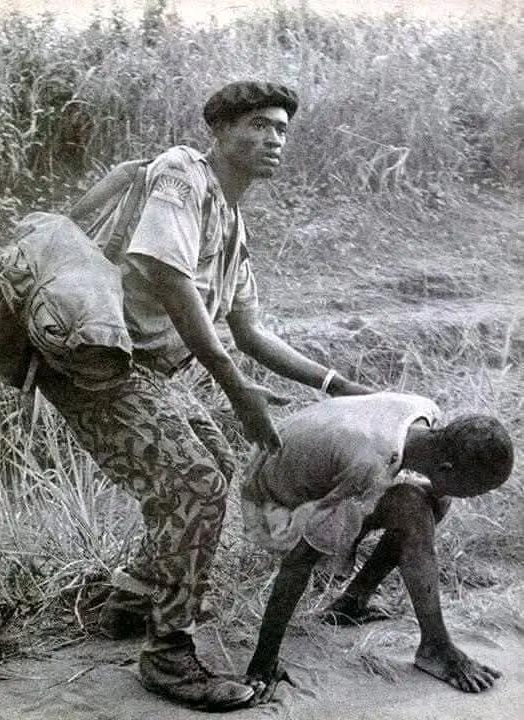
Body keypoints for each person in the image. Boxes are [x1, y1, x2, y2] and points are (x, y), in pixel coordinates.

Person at [34, 81, 372, 711]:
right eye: (259, 125)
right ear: (220, 131)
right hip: (96, 361)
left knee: (212, 462)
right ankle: (167, 655)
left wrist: (336, 384)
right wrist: (234, 386)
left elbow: (250, 331)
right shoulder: (182, 173)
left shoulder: (232, 220)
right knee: (194, 485)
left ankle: (133, 598)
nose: (274, 139)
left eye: (281, 129)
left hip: (142, 371)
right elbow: (166, 274)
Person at [241, 392, 514, 703]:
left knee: (431, 501)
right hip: (272, 500)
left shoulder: (424, 412)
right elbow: (297, 563)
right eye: (475, 491)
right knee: (412, 508)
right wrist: (263, 661)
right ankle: (436, 646)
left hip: (301, 459)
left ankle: (352, 603)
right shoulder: (371, 465)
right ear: (446, 468)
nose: (473, 497)